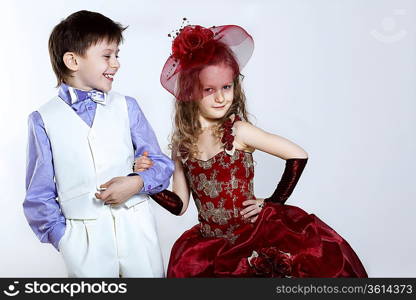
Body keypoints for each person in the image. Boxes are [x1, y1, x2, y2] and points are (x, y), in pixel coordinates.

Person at [136, 23, 368, 277]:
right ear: (191, 91)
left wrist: (272, 203)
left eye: (226, 87)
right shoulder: (183, 145)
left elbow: (298, 154)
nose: (221, 98)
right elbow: (180, 205)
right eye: (209, 90)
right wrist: (148, 182)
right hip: (209, 247)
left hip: (250, 238)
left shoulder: (239, 131)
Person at [23, 10, 174, 277]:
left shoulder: (127, 107)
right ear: (72, 60)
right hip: (84, 241)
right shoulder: (43, 119)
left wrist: (137, 182)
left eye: (117, 55)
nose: (116, 64)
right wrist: (65, 239)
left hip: (137, 229)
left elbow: (160, 163)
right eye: (107, 56)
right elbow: (39, 194)